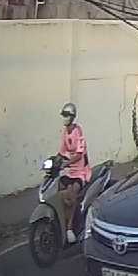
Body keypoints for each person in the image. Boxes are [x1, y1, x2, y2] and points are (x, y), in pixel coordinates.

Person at [57, 103, 91, 244]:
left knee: (71, 193)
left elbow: (79, 154)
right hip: (69, 171)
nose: (64, 118)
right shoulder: (65, 132)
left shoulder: (78, 131)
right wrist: (54, 161)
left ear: (72, 117)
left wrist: (66, 163)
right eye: (63, 115)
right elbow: (61, 151)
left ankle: (70, 228)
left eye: (66, 115)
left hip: (81, 172)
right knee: (60, 191)